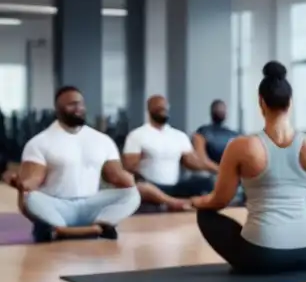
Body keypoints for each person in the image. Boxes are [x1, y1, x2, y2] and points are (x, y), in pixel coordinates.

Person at [191, 61, 306, 273]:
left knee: (204, 214)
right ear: (291, 102)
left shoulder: (241, 146)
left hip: (262, 256)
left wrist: (198, 201)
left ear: (261, 102)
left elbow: (220, 200)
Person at [14, 86, 140, 242]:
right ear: (58, 109)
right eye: (71, 104)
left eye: (80, 104)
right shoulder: (39, 143)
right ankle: (64, 228)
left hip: (91, 205)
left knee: (132, 194)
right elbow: (33, 180)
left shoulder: (102, 140)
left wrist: (127, 179)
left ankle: (100, 223)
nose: (78, 108)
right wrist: (23, 184)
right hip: (58, 207)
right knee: (30, 198)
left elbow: (114, 176)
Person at [123, 95, 214, 210]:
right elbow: (129, 167)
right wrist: (139, 162)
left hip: (175, 187)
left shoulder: (179, 136)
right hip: (152, 188)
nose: (163, 110)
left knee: (206, 182)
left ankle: (178, 202)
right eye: (159, 108)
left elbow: (192, 162)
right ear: (150, 109)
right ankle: (175, 203)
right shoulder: (137, 135)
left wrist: (217, 169)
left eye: (165, 108)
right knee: (140, 187)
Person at [193, 100, 240, 172]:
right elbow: (201, 159)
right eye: (218, 108)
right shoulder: (202, 132)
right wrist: (219, 170)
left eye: (222, 109)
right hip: (209, 175)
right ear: (212, 111)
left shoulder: (233, 134)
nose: (220, 110)